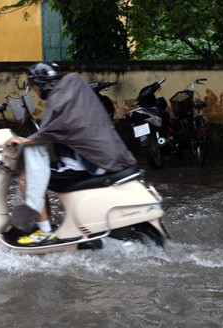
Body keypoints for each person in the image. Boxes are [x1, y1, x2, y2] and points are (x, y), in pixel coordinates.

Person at [7, 62, 137, 245]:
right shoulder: (75, 86)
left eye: (34, 85)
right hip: (109, 156)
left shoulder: (60, 99)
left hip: (91, 162)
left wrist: (21, 141)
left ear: (43, 83)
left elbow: (51, 130)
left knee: (26, 179)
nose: (35, 90)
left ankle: (44, 232)